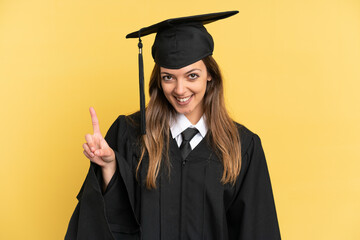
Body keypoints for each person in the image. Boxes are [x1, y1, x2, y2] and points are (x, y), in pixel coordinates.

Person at [65, 11, 281, 240]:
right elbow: (113, 222)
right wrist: (110, 170)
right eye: (168, 77)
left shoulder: (241, 146)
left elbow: (257, 229)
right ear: (159, 79)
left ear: (210, 75)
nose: (179, 90)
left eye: (192, 76)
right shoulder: (130, 133)